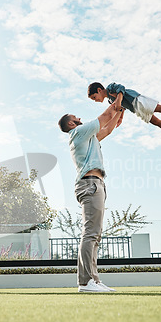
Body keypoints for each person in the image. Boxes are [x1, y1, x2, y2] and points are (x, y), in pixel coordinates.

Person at [58, 102, 123, 293]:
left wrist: (122, 108)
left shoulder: (89, 138)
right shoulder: (77, 133)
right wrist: (119, 97)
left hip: (97, 183)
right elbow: (105, 116)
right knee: (90, 234)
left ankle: (93, 279)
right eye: (75, 117)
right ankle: (85, 282)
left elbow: (109, 127)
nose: (79, 118)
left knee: (96, 235)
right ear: (71, 124)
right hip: (90, 184)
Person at [87, 82, 161, 148]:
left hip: (136, 100)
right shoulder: (110, 101)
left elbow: (121, 88)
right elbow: (123, 107)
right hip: (135, 108)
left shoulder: (110, 88)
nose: (95, 100)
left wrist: (119, 99)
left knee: (160, 108)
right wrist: (121, 117)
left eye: (94, 97)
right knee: (156, 122)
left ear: (99, 90)